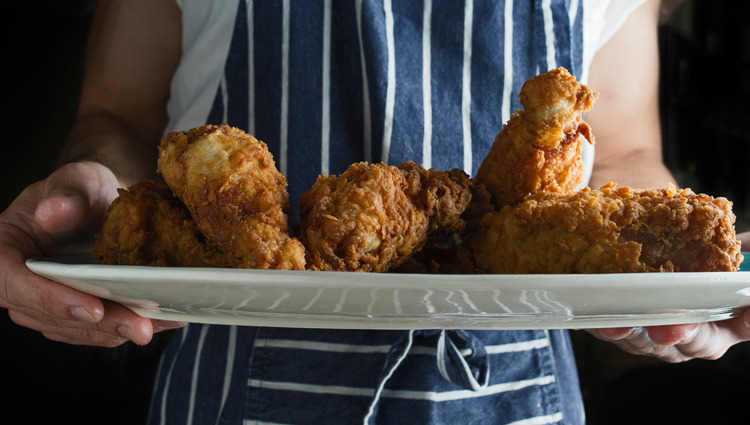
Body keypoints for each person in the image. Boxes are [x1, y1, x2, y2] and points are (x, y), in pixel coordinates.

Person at [1, 0, 748, 423]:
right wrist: (95, 188)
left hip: (517, 394)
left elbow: (622, 154)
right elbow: (115, 115)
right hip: (230, 387)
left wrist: (672, 276)